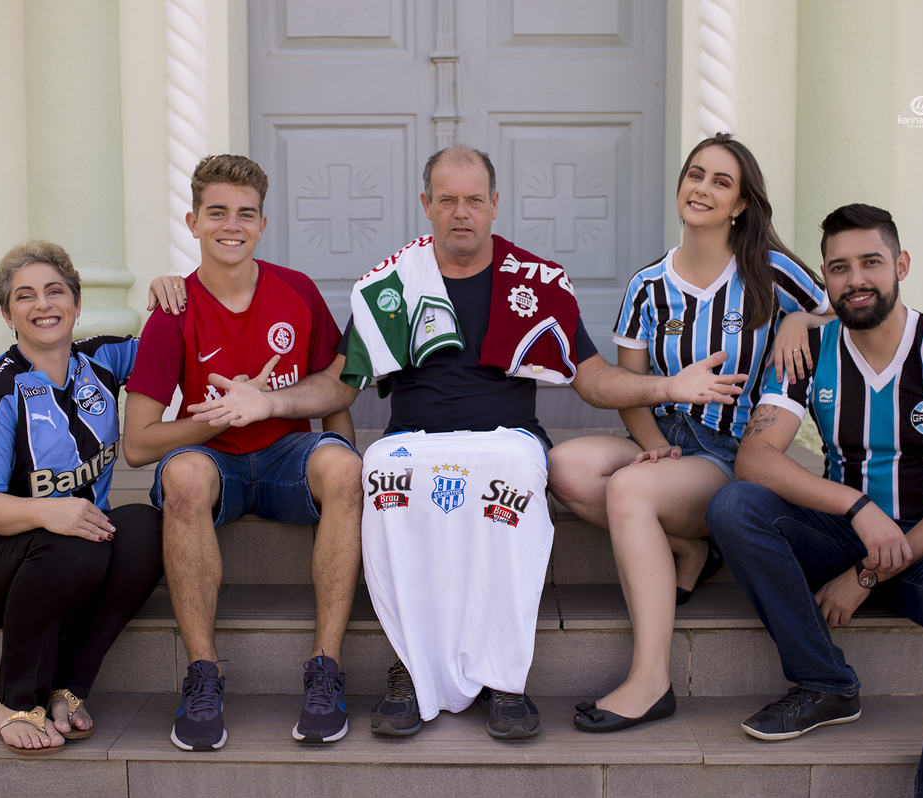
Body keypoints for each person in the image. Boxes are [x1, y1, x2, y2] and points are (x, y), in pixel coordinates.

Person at [186, 145, 748, 740]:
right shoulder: (391, 286)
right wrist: (267, 402)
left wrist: (669, 385)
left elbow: (591, 376)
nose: (462, 212)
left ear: (494, 205)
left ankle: (506, 677)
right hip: (413, 441)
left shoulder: (535, 281)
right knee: (379, 471)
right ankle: (410, 666)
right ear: (426, 204)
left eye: (474, 199)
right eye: (447, 199)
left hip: (506, 440)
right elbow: (337, 385)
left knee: (508, 471)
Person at [706, 204, 923, 798]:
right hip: (843, 532)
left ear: (900, 265)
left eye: (871, 262)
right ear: (825, 280)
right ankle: (824, 681)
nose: (856, 279)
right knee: (735, 505)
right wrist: (857, 509)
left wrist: (866, 575)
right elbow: (756, 459)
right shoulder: (808, 350)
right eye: (839, 268)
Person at [547, 133, 829, 732]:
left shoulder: (771, 272)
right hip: (668, 437)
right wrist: (652, 446)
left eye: (721, 182)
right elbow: (630, 388)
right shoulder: (647, 285)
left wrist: (802, 318)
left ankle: (650, 681)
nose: (702, 188)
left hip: (731, 455)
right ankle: (689, 546)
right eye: (695, 174)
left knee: (629, 492)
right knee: (564, 467)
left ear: (741, 205)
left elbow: (847, 310)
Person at [123, 155, 364, 749]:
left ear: (261, 223)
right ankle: (204, 674)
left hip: (286, 458)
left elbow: (336, 386)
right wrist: (216, 420)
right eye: (218, 212)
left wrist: (342, 466)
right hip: (215, 464)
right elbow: (136, 445)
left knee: (344, 466)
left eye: (246, 214)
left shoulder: (297, 291)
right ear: (193, 221)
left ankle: (325, 669)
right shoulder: (172, 311)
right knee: (180, 478)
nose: (232, 224)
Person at [0, 241, 163, 755]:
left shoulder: (103, 358)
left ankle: (68, 688)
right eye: (25, 296)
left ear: (76, 302)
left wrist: (175, 290)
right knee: (72, 539)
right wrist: (47, 509)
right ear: (7, 314)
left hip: (75, 556)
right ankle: (14, 702)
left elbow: (174, 345)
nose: (43, 305)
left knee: (146, 529)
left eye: (54, 291)